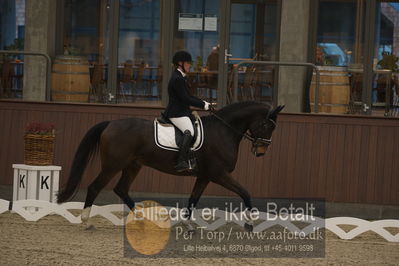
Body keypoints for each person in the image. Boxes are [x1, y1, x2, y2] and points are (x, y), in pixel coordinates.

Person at [164, 50, 211, 172]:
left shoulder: (181, 77)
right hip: (176, 113)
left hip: (182, 111)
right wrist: (203, 105)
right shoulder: (177, 79)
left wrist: (204, 103)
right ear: (180, 63)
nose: (190, 65)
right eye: (188, 63)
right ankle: (181, 161)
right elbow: (185, 98)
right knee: (189, 131)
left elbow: (189, 96)